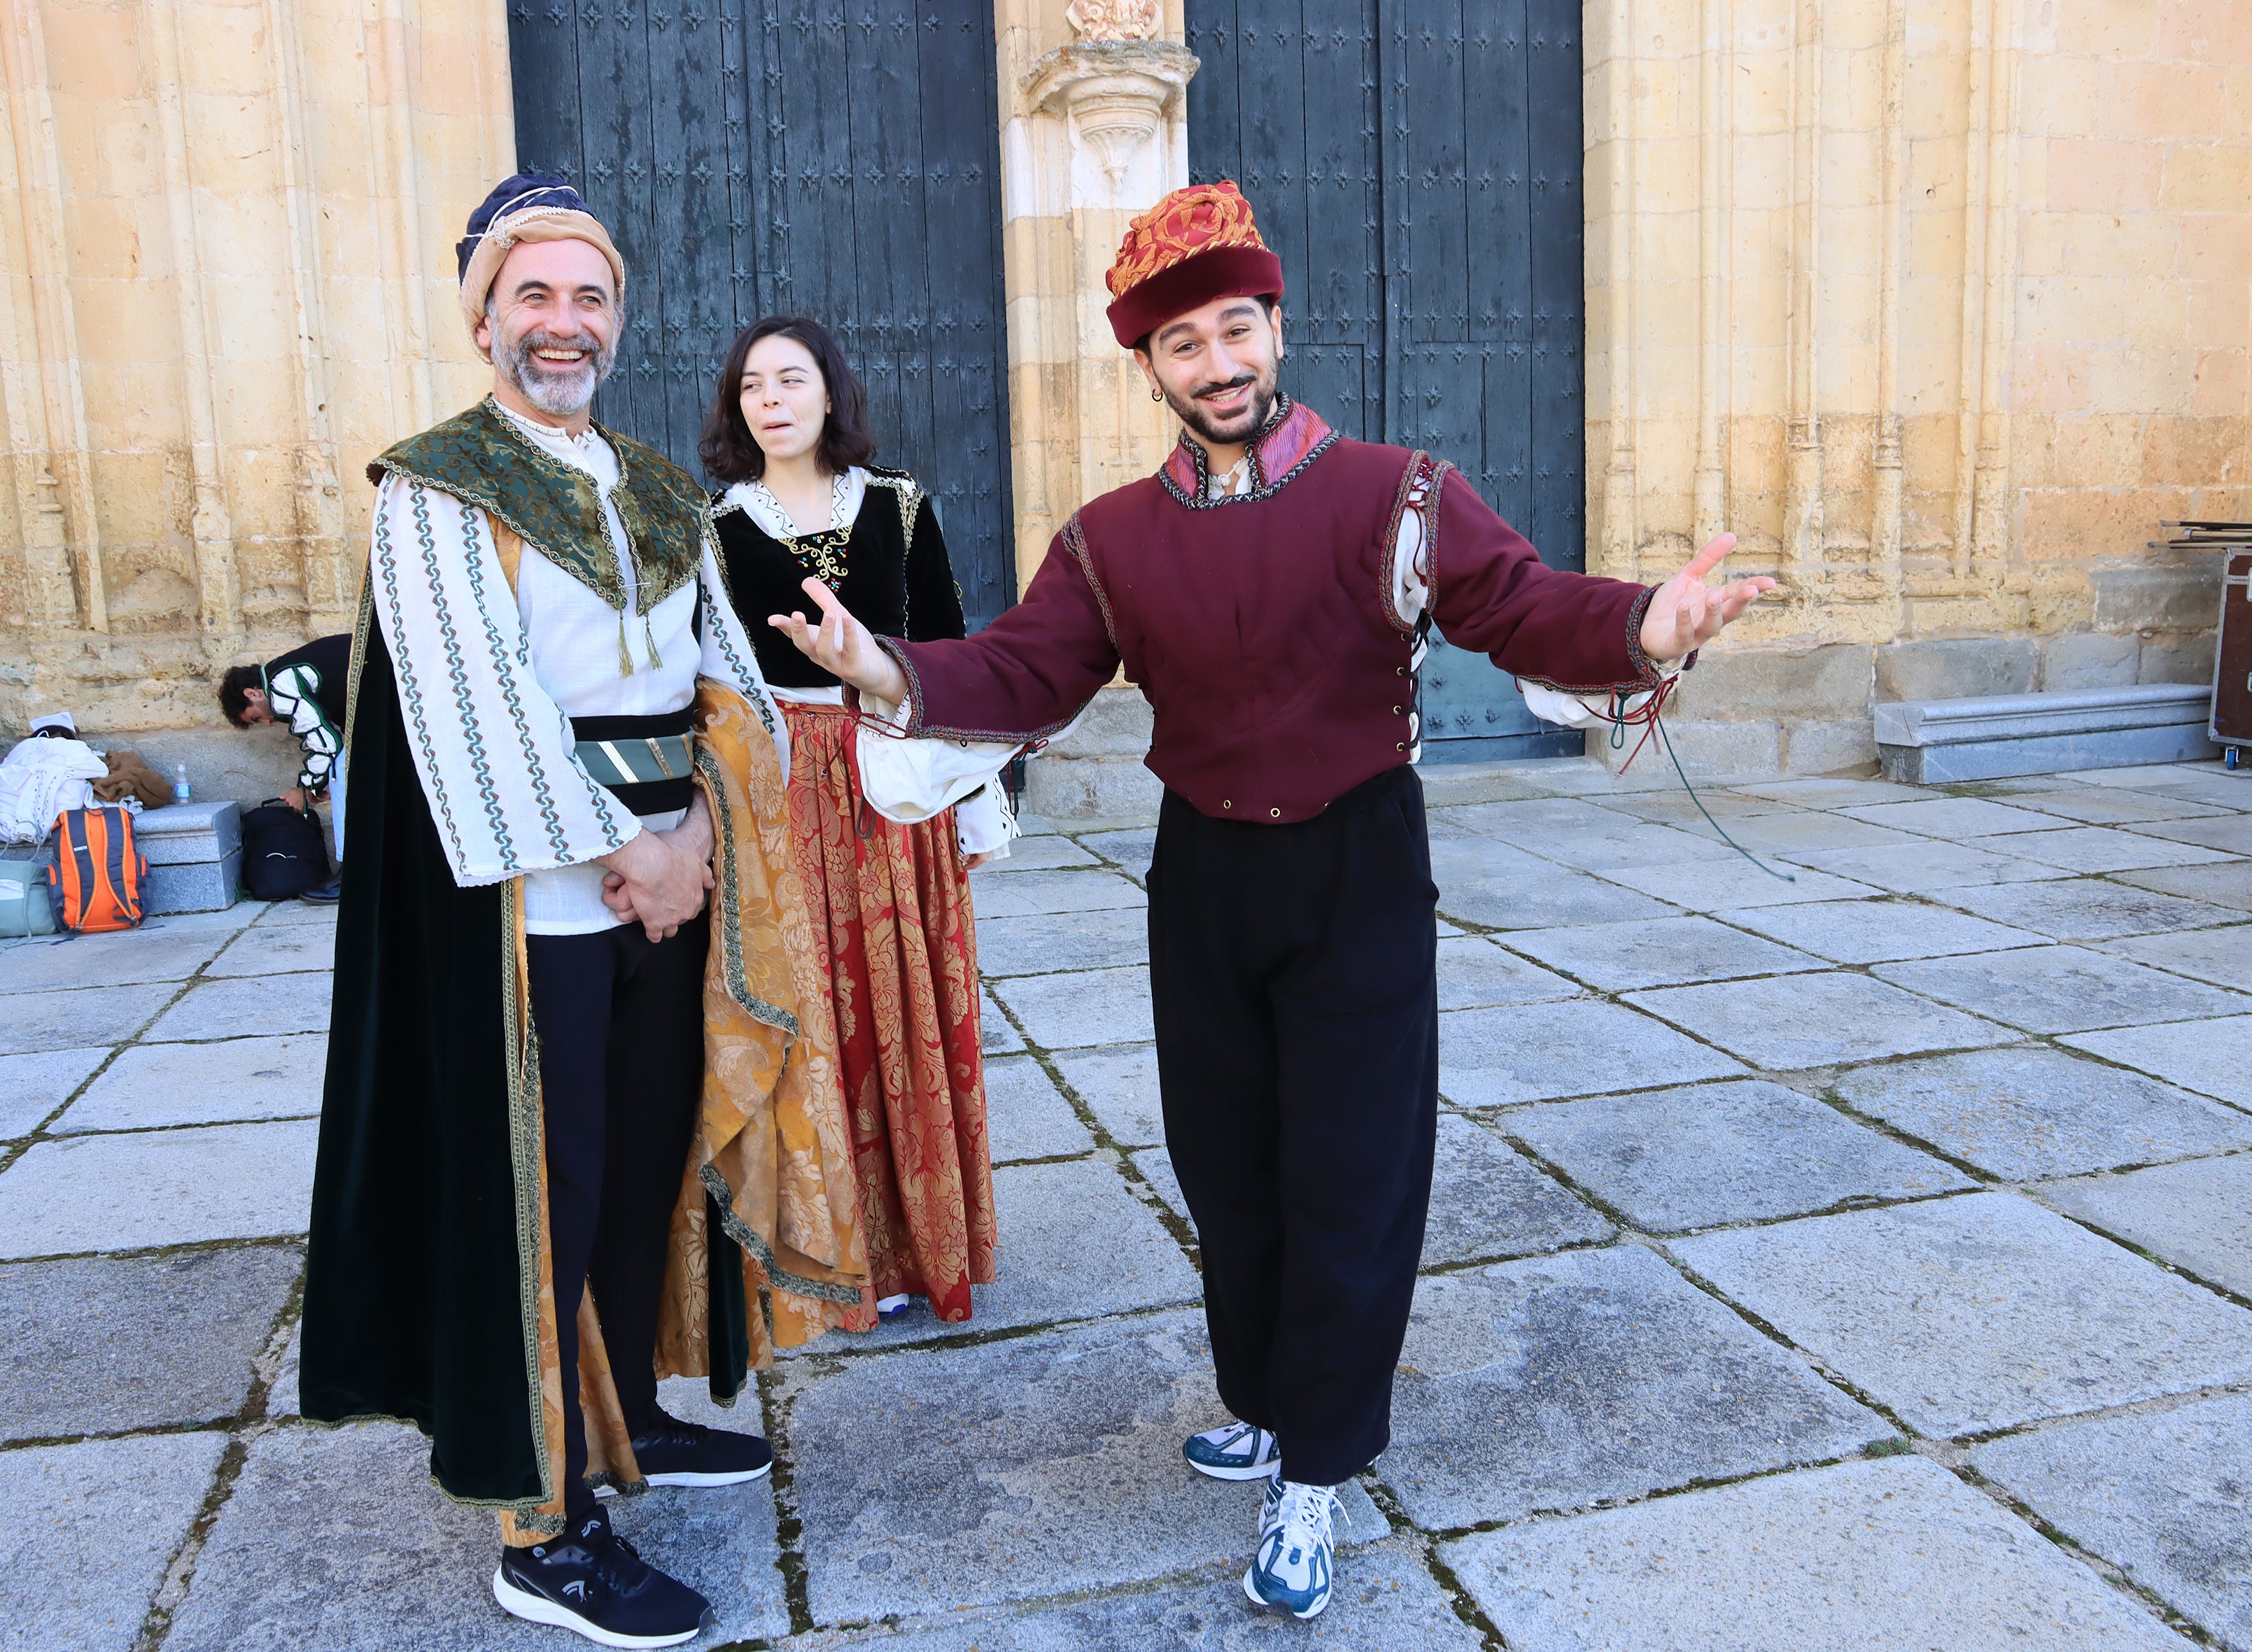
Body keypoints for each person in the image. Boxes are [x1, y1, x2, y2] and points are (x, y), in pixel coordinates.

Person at [773, 180, 1775, 1622]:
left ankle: (1317, 1464)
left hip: (1357, 864)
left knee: (1350, 1173)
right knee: (1227, 1155)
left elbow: (1517, 602)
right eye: (1183, 345)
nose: (1218, 364)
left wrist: (1640, 623)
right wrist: (891, 675)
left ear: (1273, 326)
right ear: (1151, 368)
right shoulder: (1111, 536)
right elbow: (1028, 666)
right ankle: (1260, 1396)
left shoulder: (1397, 492)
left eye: (1235, 329)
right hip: (1203, 876)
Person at [300, 174, 865, 1650]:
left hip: (668, 891)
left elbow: (725, 670)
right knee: (543, 1197)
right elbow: (465, 697)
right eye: (533, 296)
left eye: (588, 296)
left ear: (618, 316)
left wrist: (698, 838)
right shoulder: (435, 486)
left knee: (637, 1167)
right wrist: (632, 844)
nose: (564, 323)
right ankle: (541, 1521)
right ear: (483, 315)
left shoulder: (660, 487)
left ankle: (624, 1423)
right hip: (533, 911)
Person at [698, 316, 1009, 1330]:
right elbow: (707, 680)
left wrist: (967, 795)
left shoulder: (898, 508)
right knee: (811, 1019)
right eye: (752, 385)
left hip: (889, 779)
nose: (771, 399)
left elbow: (949, 649)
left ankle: (924, 1247)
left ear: (830, 394)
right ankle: (831, 1257)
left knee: (905, 1003)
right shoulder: (716, 529)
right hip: (781, 785)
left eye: (791, 379)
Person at [219, 633, 351, 901]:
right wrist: (322, 782)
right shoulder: (284, 670)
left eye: (256, 717)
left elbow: (325, 742)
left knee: (341, 768)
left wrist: (304, 789)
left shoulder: (280, 685)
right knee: (343, 771)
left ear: (252, 693)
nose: (267, 723)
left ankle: (352, 872)